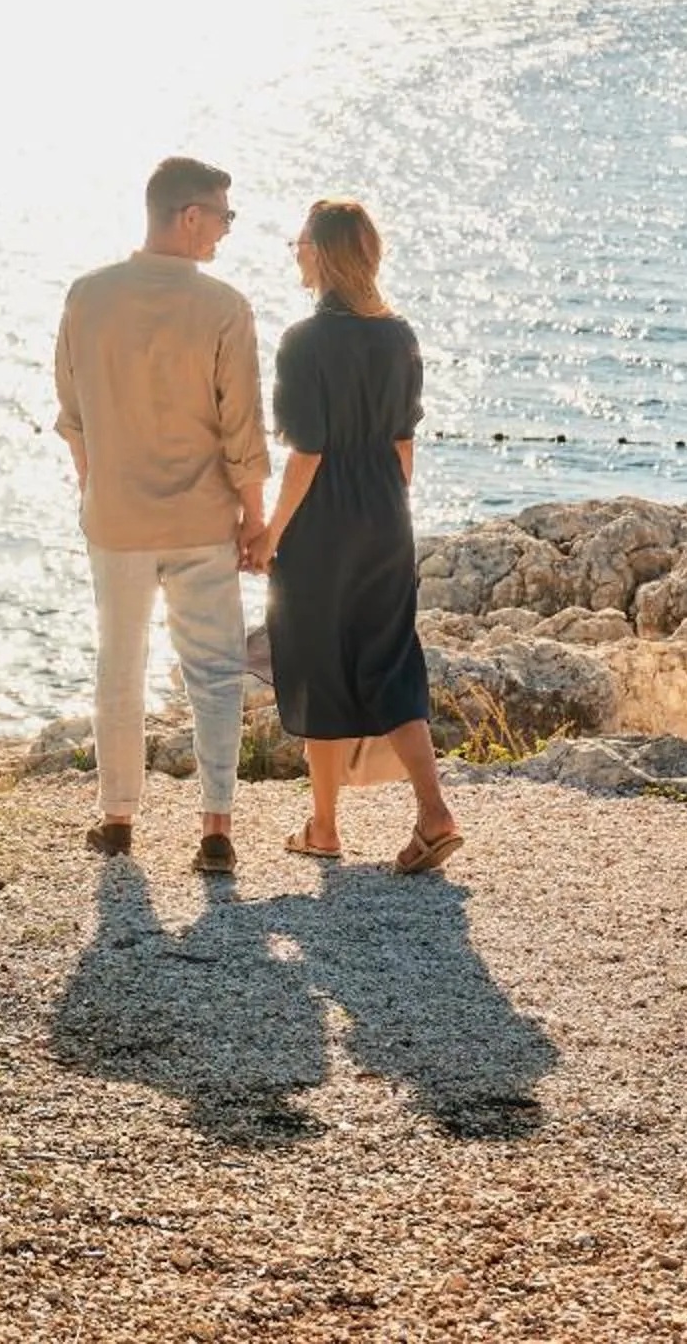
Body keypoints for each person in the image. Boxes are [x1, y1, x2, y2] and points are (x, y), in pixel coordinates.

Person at [53, 156, 270, 874]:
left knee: (120, 663)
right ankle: (215, 827)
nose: (225, 233)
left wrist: (98, 489)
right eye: (224, 218)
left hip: (115, 520)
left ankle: (116, 818)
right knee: (213, 671)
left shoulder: (86, 296)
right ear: (189, 217)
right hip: (202, 521)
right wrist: (255, 518)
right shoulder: (224, 307)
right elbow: (242, 430)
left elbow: (74, 416)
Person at [260, 198, 462, 873]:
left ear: (321, 252)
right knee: (390, 657)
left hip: (323, 523)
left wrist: (267, 534)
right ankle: (428, 810)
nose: (294, 250)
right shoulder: (398, 335)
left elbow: (307, 452)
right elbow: (404, 443)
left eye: (300, 241)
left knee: (319, 660)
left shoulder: (303, 342)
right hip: (385, 513)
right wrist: (390, 515)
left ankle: (327, 827)